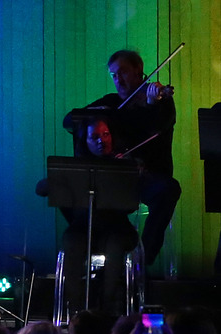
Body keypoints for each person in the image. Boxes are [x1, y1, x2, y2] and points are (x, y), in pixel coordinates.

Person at [65, 49, 180, 266]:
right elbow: (70, 120)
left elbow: (157, 126)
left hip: (147, 176)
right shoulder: (111, 103)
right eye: (114, 75)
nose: (118, 80)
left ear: (139, 71)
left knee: (169, 189)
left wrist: (152, 105)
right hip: (114, 176)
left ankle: (144, 259)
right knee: (75, 189)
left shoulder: (160, 101)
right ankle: (93, 246)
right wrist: (102, 116)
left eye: (123, 73)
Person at [61, 117, 139, 315]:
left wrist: (126, 173)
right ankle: (77, 313)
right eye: (94, 137)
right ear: (84, 141)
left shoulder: (123, 162)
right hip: (84, 228)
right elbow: (43, 188)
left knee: (115, 246)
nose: (101, 140)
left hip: (117, 228)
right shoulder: (78, 168)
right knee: (72, 241)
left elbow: (131, 204)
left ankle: (106, 311)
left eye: (105, 134)